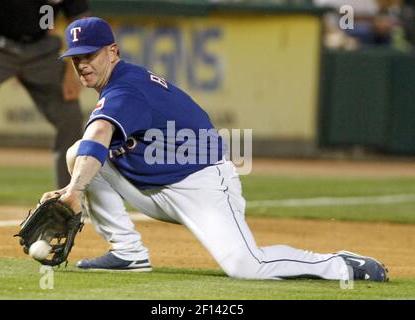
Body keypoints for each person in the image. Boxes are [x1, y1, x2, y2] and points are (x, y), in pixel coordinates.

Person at [41, 16, 388, 282]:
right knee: (79, 154)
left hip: (203, 186)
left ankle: (340, 264)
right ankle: (128, 253)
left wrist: (74, 190)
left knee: (245, 265)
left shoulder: (125, 90)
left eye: (90, 54)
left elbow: (101, 130)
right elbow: (96, 144)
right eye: (76, 58)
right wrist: (76, 185)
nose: (83, 64)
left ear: (112, 52)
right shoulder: (119, 85)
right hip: (153, 187)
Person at [0, 0, 89, 188]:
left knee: (69, 115)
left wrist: (74, 69)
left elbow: (82, 23)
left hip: (43, 50)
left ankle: (67, 201)